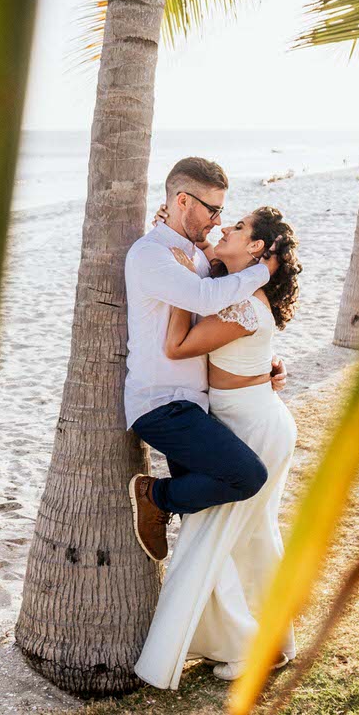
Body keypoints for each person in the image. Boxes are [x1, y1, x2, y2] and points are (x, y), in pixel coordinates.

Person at [133, 206, 302, 687]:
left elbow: (178, 346)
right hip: (245, 417)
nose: (227, 227)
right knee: (245, 538)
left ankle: (246, 646)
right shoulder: (234, 285)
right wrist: (175, 225)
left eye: (240, 227)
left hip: (253, 425)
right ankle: (262, 641)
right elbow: (208, 258)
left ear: (256, 249)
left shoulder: (244, 301)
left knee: (221, 535)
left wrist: (181, 291)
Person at [124, 156, 284, 567]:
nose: (217, 220)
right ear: (182, 201)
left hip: (194, 405)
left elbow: (222, 324)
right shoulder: (152, 255)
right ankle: (153, 495)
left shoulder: (194, 256)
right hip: (162, 404)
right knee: (246, 476)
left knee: (209, 515)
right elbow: (204, 299)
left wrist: (261, 366)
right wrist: (262, 273)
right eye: (212, 210)